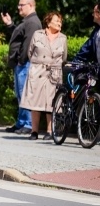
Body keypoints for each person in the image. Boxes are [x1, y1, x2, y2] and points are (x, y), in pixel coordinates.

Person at [19, 11, 67, 141]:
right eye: (57, 20)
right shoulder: (38, 34)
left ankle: (49, 131)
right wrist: (38, 65)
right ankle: (34, 131)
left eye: (60, 21)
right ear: (48, 21)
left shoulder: (63, 38)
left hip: (54, 73)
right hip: (38, 71)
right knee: (35, 103)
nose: (59, 23)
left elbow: (64, 57)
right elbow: (30, 52)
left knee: (51, 103)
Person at [2, 0, 42, 135]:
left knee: (26, 95)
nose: (18, 7)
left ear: (30, 5)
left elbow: (28, 44)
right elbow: (18, 37)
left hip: (25, 64)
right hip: (21, 64)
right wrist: (10, 24)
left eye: (21, 5)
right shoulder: (26, 21)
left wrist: (21, 60)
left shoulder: (32, 22)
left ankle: (28, 124)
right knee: (20, 95)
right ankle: (21, 122)